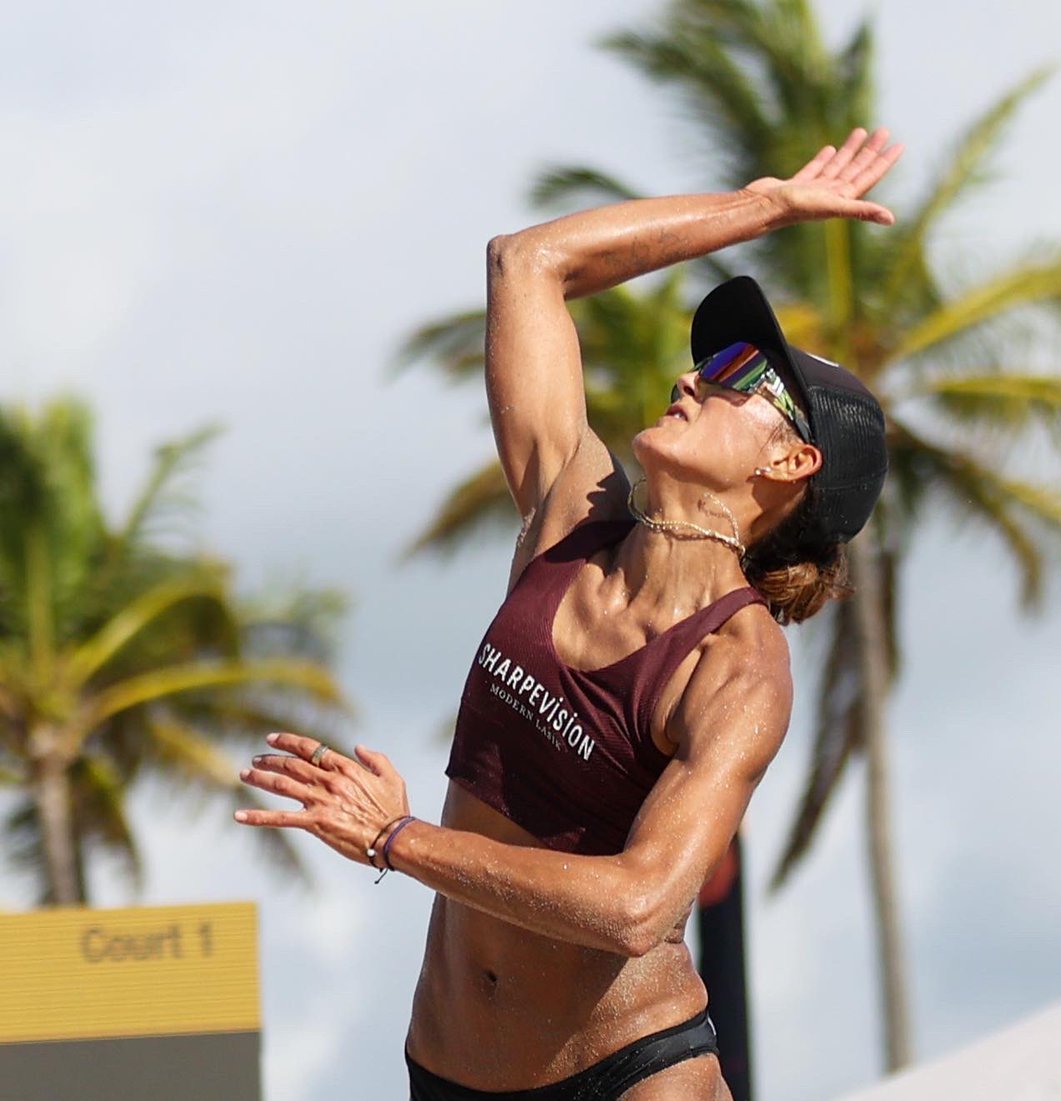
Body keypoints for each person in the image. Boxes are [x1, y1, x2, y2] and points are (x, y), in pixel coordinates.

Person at [236, 127, 903, 1101]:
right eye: (705, 362)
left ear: (790, 461)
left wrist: (397, 838)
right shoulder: (571, 515)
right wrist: (761, 207)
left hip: (630, 1074)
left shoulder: (736, 668)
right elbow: (527, 261)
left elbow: (639, 906)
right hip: (448, 1070)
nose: (691, 378)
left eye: (735, 377)